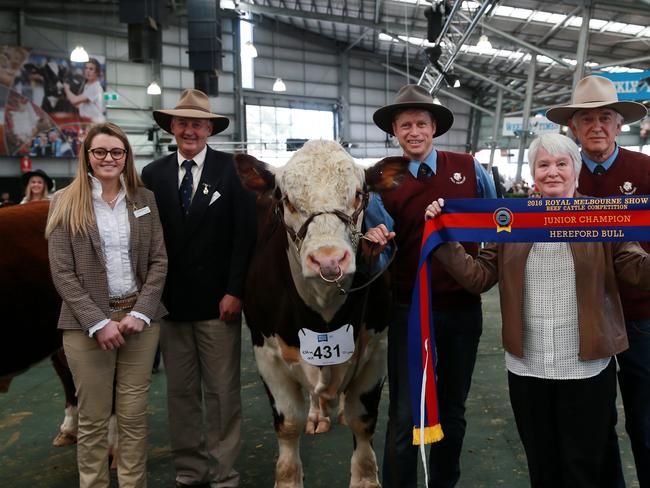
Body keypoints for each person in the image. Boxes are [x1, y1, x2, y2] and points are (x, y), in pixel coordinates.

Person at [426, 133, 650, 488]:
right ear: (533, 173)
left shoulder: (601, 216)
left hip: (586, 366)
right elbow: (479, 277)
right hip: (528, 366)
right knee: (542, 465)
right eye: (543, 165)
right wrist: (443, 239)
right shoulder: (512, 219)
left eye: (562, 164)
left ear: (575, 170)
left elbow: (636, 267)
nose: (553, 172)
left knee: (584, 466)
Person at [363, 84, 496, 488]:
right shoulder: (380, 180)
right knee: (405, 411)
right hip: (408, 310)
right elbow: (381, 252)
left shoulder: (470, 168)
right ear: (395, 131)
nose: (414, 131)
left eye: (421, 123)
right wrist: (376, 246)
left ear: (434, 127)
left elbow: (496, 222)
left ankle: (444, 482)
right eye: (406, 125)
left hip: (461, 308)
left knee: (453, 409)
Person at [141, 89, 256, 488]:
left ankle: (225, 473)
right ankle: (189, 471)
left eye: (197, 123)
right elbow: (146, 237)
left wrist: (235, 290)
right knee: (181, 394)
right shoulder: (152, 174)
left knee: (223, 394)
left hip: (218, 303)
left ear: (210, 128)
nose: (189, 130)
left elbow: (245, 236)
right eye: (182, 122)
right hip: (170, 304)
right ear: (172, 127)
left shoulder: (232, 170)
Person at [46, 122, 167, 488]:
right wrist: (99, 322)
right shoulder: (64, 202)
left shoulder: (144, 200)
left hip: (139, 324)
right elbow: (62, 272)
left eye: (117, 152)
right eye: (100, 151)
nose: (109, 158)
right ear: (87, 156)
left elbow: (159, 261)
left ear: (126, 156)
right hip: (86, 328)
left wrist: (141, 312)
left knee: (133, 418)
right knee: (93, 420)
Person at [546, 75, 650, 487]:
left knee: (645, 422)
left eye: (605, 117)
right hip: (583, 319)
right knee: (594, 424)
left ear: (618, 124)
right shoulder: (560, 178)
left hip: (641, 315)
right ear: (572, 127)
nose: (596, 126)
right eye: (586, 119)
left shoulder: (646, 170)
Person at [64, 58, 105, 123]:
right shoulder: (87, 87)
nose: (88, 71)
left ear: (97, 72)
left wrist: (66, 89)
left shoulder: (95, 87)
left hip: (95, 124)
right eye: (86, 68)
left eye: (91, 69)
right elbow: (79, 105)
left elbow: (74, 100)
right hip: (87, 123)